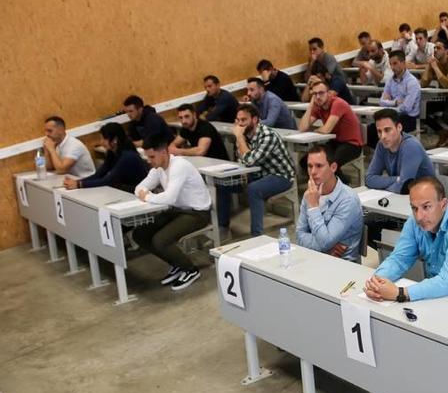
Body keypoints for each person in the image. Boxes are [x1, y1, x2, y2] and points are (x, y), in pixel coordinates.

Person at [365, 176, 448, 305]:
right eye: (414, 208)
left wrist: (399, 293)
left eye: (426, 207)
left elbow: (447, 281)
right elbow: (399, 259)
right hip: (442, 295)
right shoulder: (414, 223)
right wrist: (377, 282)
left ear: (443, 204)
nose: (419, 216)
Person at [133, 134, 212, 291]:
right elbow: (138, 189)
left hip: (196, 213)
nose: (149, 160)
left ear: (163, 152)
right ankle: (177, 263)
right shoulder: (158, 168)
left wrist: (147, 196)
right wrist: (146, 195)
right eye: (147, 157)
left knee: (160, 240)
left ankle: (190, 270)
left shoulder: (179, 166)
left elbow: (169, 197)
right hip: (177, 211)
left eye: (152, 156)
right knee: (140, 234)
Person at [218, 104, 295, 237]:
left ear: (254, 120)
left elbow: (249, 160)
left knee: (254, 189)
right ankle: (222, 228)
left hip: (281, 176)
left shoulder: (267, 136)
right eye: (238, 120)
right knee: (223, 184)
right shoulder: (246, 134)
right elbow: (242, 161)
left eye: (244, 120)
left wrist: (239, 138)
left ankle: (257, 235)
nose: (240, 124)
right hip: (258, 173)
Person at [296, 145, 364, 263]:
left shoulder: (347, 199)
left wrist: (313, 207)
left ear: (333, 167)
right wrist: (325, 249)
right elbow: (299, 234)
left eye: (319, 166)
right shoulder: (310, 194)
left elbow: (325, 242)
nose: (313, 172)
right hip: (316, 260)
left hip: (343, 266)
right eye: (310, 166)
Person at [298, 80, 363, 170]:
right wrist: (310, 105)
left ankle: (341, 182)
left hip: (351, 145)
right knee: (305, 162)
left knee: (329, 164)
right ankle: (331, 180)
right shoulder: (318, 106)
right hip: (335, 143)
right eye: (315, 94)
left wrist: (316, 130)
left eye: (321, 93)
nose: (318, 97)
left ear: (328, 93)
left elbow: (326, 130)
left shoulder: (337, 103)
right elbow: (302, 128)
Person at [64, 122, 148, 192]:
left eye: (104, 139)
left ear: (114, 140)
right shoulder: (112, 153)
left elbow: (109, 180)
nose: (101, 142)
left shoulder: (128, 156)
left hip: (135, 194)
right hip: (123, 191)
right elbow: (99, 174)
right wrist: (77, 182)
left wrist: (79, 184)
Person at [366, 109, 435, 193]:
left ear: (399, 127)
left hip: (426, 198)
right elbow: (369, 179)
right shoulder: (381, 145)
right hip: (402, 197)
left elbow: (404, 187)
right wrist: (397, 179)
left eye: (387, 130)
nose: (383, 136)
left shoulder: (411, 146)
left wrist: (383, 186)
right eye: (379, 131)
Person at [378, 50, 421, 138]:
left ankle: (391, 149)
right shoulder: (390, 81)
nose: (392, 67)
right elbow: (381, 102)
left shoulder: (412, 82)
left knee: (386, 129)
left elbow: (406, 107)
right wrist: (396, 102)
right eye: (391, 64)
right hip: (393, 115)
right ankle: (382, 150)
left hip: (408, 118)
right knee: (372, 128)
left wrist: (388, 102)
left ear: (403, 63)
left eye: (395, 63)